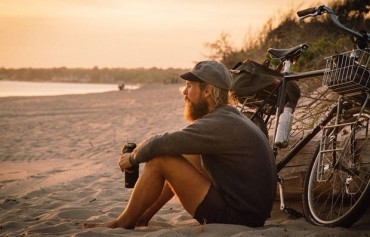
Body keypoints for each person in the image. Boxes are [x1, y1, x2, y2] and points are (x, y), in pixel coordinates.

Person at [84, 60, 277, 229]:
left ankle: (123, 223)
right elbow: (176, 146)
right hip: (251, 214)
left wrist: (132, 158)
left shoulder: (218, 124)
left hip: (237, 218)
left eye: (190, 86)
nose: (185, 92)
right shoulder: (229, 117)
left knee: (161, 160)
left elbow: (162, 143)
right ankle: (142, 217)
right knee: (187, 155)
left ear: (207, 91)